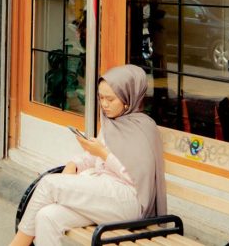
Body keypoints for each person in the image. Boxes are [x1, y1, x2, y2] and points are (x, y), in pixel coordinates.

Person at [11, 64, 167, 246]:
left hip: (129, 201)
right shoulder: (113, 123)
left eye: (110, 99)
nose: (104, 104)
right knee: (47, 216)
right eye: (101, 98)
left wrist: (103, 153)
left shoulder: (143, 129)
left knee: (48, 183)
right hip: (102, 196)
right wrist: (74, 164)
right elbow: (92, 159)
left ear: (128, 98)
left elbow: (137, 181)